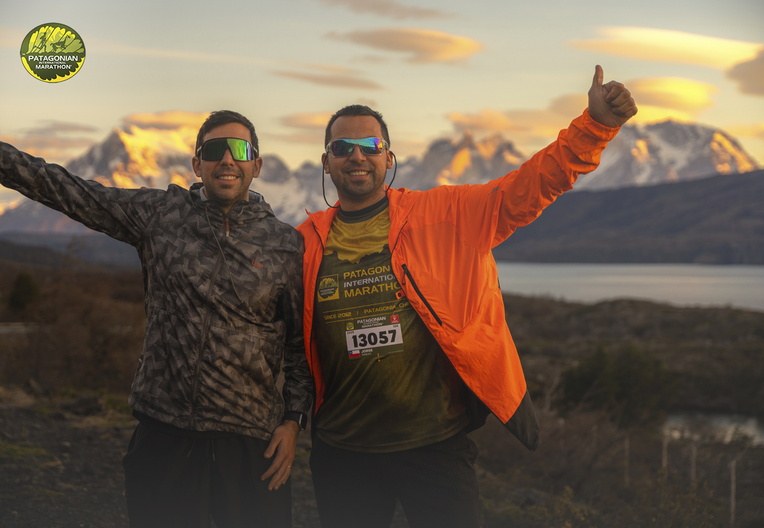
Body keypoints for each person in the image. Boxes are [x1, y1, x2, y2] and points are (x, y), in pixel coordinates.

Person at [297, 65, 637, 528]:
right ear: (326, 162)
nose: (357, 156)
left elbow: (531, 186)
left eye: (370, 146)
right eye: (342, 148)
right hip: (343, 452)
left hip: (435, 446)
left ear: (388, 158)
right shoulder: (303, 243)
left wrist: (595, 125)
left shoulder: (447, 214)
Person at [0, 110, 313, 528]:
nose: (227, 159)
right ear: (197, 164)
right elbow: (65, 189)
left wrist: (293, 422)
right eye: (214, 150)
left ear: (256, 165)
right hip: (164, 434)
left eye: (239, 150)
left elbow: (299, 345)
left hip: (249, 442)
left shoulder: (286, 244)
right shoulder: (160, 214)